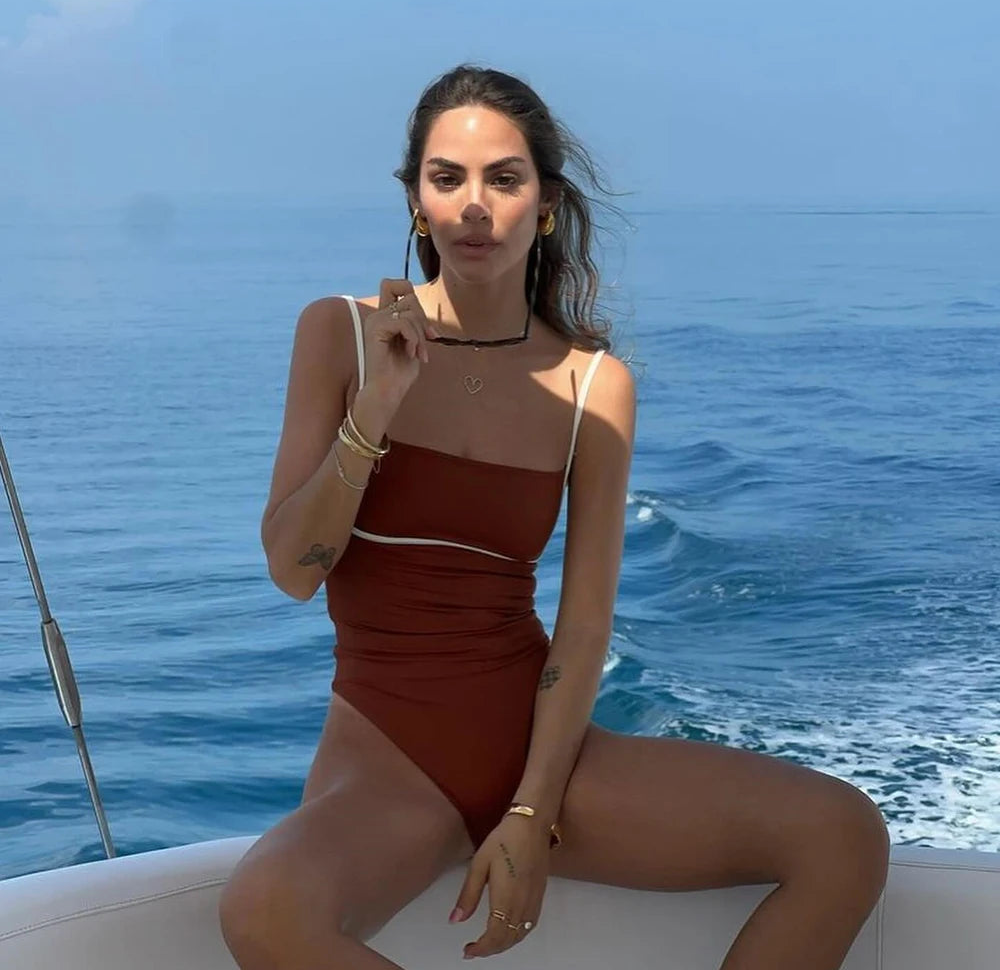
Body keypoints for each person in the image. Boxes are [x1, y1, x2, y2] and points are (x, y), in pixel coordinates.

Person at [218, 64, 889, 969]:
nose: (474, 205)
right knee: (264, 912)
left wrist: (532, 812)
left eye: (504, 178)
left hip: (543, 754)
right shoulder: (341, 335)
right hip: (384, 763)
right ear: (415, 200)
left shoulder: (592, 387)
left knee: (843, 834)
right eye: (447, 178)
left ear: (545, 204)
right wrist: (374, 411)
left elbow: (583, 625)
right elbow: (293, 568)